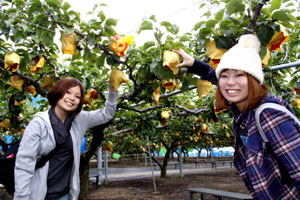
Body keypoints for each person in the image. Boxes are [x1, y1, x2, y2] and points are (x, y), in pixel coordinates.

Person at [174, 34, 300, 199]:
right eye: (225, 76)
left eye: (240, 75)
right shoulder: (243, 109)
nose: (230, 82)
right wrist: (195, 65)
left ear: (253, 80)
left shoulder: (268, 115)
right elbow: (217, 78)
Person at [14, 77, 119, 200]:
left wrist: (113, 90)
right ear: (58, 92)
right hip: (38, 195)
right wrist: (22, 196)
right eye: (67, 92)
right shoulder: (38, 124)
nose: (71, 98)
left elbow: (106, 114)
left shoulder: (79, 119)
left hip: (65, 195)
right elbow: (24, 164)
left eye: (77, 96)